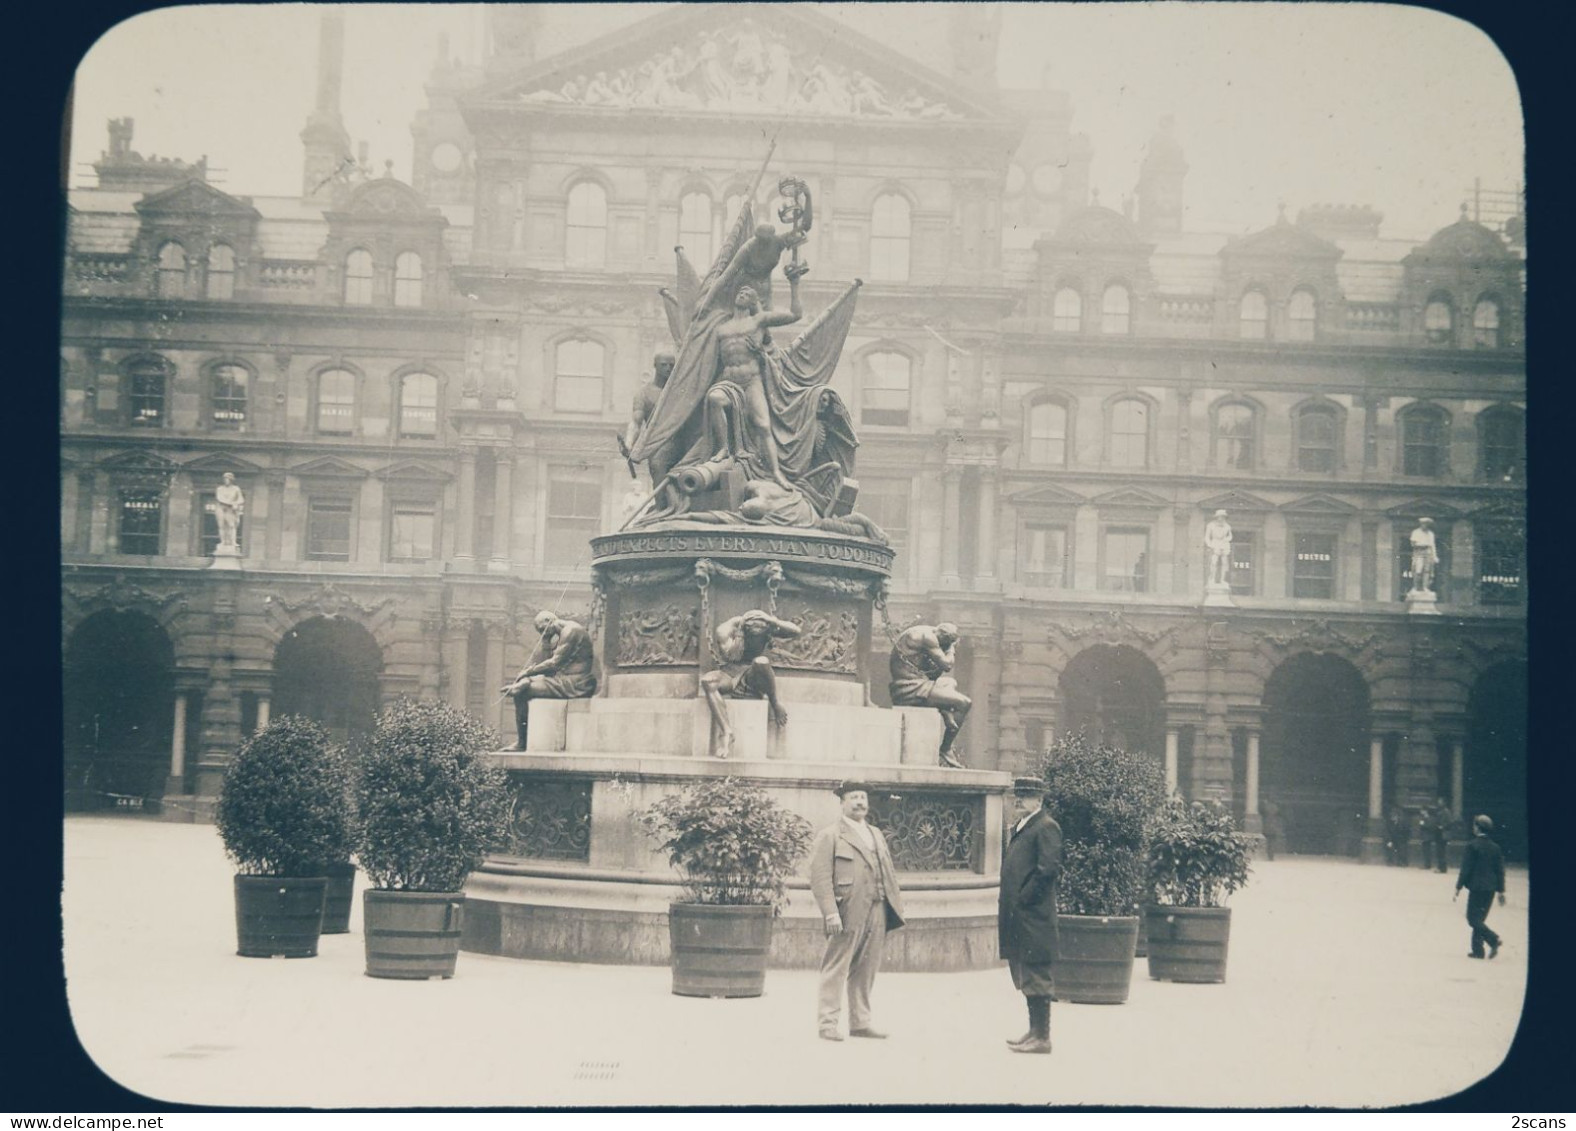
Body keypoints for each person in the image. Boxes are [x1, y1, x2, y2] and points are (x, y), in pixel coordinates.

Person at [808, 781, 905, 1042]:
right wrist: (830, 913)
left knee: (867, 967)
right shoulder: (830, 836)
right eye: (854, 797)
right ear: (842, 803)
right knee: (836, 965)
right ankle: (827, 1023)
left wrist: (893, 907)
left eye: (863, 797)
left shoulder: (875, 833)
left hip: (877, 908)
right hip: (847, 910)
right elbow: (819, 878)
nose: (860, 802)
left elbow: (888, 873)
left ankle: (860, 1022)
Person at [998, 777, 1062, 1055]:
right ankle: (1034, 1032)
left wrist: (1024, 899)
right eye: (1017, 796)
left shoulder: (1046, 827)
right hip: (1023, 916)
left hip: (1034, 915)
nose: (1019, 800)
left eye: (1027, 796)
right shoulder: (1025, 827)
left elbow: (1047, 870)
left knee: (1037, 973)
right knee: (1028, 972)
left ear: (1040, 800)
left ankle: (1042, 1036)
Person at [700, 609, 800, 756]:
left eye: (760, 636)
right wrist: (741, 622)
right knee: (708, 681)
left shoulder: (766, 629)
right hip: (728, 672)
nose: (756, 640)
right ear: (744, 630)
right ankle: (727, 731)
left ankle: (775, 702)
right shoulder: (725, 632)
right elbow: (729, 649)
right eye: (753, 635)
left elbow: (796, 631)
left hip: (751, 674)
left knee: (762, 661)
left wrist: (774, 621)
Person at [500, 612, 597, 751]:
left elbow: (554, 664)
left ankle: (522, 743)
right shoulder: (560, 635)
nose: (542, 633)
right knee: (525, 684)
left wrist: (528, 672)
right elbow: (548, 669)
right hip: (565, 680)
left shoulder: (571, 631)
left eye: (541, 629)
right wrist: (546, 640)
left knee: (522, 694)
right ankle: (525, 682)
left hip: (577, 683)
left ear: (549, 620)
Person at [888, 623, 972, 768]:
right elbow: (947, 665)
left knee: (950, 682)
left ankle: (945, 710)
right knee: (964, 703)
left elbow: (935, 672)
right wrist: (951, 648)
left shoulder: (926, 631)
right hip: (909, 688)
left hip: (917, 682)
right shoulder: (928, 638)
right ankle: (946, 748)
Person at [1454, 814, 1506, 959]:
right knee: (1479, 919)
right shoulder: (1496, 847)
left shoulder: (1472, 846)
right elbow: (1500, 871)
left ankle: (1493, 939)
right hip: (1490, 888)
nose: (1473, 828)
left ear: (1478, 828)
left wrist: (1458, 886)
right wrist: (1501, 891)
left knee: (1472, 919)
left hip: (1477, 887)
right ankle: (1478, 951)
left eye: (1474, 825)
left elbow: (1466, 869)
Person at [214, 472, 245, 552]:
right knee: (221, 526)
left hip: (230, 510)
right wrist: (232, 503)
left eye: (227, 479)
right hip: (221, 508)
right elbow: (220, 498)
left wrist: (236, 503)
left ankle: (233, 542)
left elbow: (241, 499)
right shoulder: (220, 489)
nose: (226, 480)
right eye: (225, 479)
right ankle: (223, 542)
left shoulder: (236, 489)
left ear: (231, 480)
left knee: (231, 526)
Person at [1422, 796, 1453, 873]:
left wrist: (1442, 826)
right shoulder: (1440, 811)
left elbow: (1450, 822)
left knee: (1441, 852)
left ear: (1444, 803)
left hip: (1442, 834)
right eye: (1438, 801)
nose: (1439, 803)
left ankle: (1442, 868)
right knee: (1439, 852)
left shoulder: (1446, 811)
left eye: (1440, 801)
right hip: (1439, 834)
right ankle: (1440, 867)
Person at [1204, 509, 1233, 587]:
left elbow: (1230, 536)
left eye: (1223, 517)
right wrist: (1210, 545)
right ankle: (1212, 579)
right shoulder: (1210, 525)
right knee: (1214, 562)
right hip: (1215, 543)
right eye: (1220, 517)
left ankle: (1222, 580)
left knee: (1225, 563)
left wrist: (1227, 539)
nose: (1221, 519)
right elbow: (1207, 537)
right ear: (1216, 517)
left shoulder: (1227, 526)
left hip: (1224, 544)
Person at [1409, 517, 1438, 594]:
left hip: (1428, 553)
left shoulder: (1430, 534)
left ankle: (1425, 587)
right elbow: (1413, 544)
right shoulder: (1416, 532)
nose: (1425, 525)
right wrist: (1423, 544)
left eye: (1427, 524)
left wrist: (1434, 556)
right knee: (1418, 570)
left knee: (1427, 571)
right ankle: (1416, 587)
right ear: (1421, 524)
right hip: (1419, 553)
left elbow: (1432, 545)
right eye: (1424, 524)